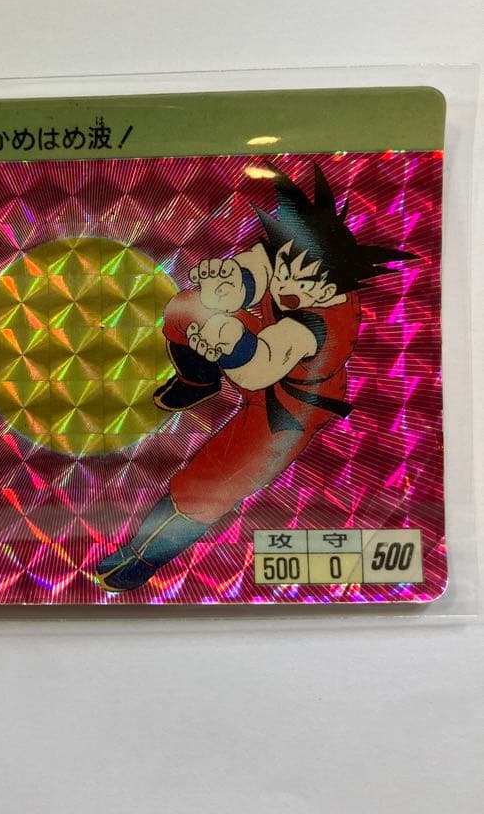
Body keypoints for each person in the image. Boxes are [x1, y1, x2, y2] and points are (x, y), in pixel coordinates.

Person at [96, 162, 416, 592]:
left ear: (327, 289)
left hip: (290, 407)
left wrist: (230, 344)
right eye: (283, 265)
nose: (283, 280)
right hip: (253, 352)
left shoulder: (318, 323)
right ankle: (199, 382)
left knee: (209, 486)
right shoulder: (289, 257)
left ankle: (142, 557)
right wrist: (224, 287)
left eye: (298, 279)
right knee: (186, 308)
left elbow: (260, 367)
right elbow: (251, 276)